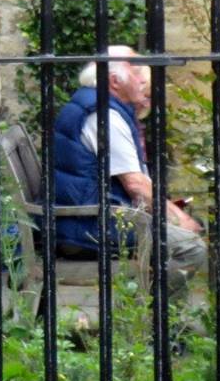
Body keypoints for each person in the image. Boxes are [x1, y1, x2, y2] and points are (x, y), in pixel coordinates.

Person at [48, 46, 208, 292]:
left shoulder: (94, 104)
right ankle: (160, 322)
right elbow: (136, 186)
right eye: (136, 72)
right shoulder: (104, 117)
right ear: (114, 81)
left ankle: (151, 314)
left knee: (181, 228)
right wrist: (180, 220)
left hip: (90, 218)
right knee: (190, 247)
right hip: (90, 229)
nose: (144, 78)